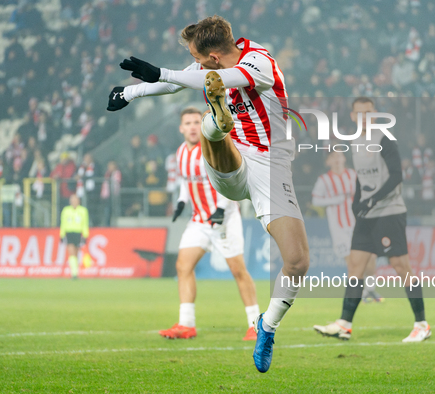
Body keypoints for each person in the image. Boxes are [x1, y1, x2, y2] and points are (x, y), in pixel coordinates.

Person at [108, 15, 309, 373]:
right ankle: (215, 122)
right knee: (214, 130)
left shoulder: (259, 61)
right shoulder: (209, 67)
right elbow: (175, 85)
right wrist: (129, 92)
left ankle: (266, 326)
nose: (195, 62)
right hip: (232, 160)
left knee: (297, 261)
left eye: (198, 58)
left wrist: (161, 71)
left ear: (214, 55)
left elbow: (223, 78)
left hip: (272, 166)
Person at [313, 97, 430, 343]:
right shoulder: (355, 141)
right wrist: (358, 202)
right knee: (355, 266)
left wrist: (373, 199)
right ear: (353, 117)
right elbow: (360, 178)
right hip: (367, 214)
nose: (364, 117)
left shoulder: (384, 139)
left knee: (401, 267)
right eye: (359, 113)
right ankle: (344, 324)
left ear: (375, 114)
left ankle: (422, 324)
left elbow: (397, 175)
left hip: (389, 212)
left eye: (369, 112)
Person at [159, 107, 260, 341]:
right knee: (183, 266)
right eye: (188, 123)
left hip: (224, 219)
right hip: (199, 221)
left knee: (238, 271)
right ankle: (186, 324)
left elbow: (230, 179)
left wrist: (220, 209)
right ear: (181, 128)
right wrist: (182, 202)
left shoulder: (213, 147)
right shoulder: (181, 152)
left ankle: (256, 325)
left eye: (197, 122)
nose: (193, 127)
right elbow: (186, 180)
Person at [311, 151, 383, 303]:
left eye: (339, 156)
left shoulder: (353, 175)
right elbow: (316, 201)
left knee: (371, 258)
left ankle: (370, 290)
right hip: (339, 228)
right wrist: (335, 199)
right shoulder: (324, 180)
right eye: (333, 157)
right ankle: (359, 294)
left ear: (344, 158)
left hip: (359, 223)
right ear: (328, 162)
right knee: (353, 263)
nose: (337, 159)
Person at [59, 194, 89, 280]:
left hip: (78, 233)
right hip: (69, 233)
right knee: (71, 252)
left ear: (78, 201)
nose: (74, 201)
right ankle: (74, 273)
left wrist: (85, 235)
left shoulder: (83, 211)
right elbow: (63, 223)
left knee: (76, 253)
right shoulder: (66, 210)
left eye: (75, 200)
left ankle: (75, 272)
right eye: (72, 200)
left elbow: (85, 223)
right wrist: (62, 234)